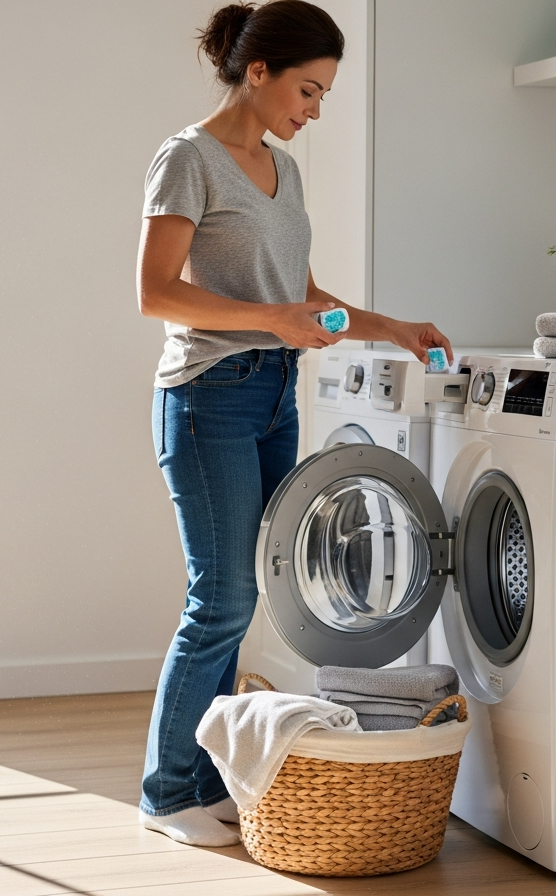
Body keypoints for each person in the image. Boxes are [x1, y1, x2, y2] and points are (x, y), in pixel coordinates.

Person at [136, 0, 451, 847]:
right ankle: (168, 794)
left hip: (276, 391)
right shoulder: (188, 158)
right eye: (307, 91)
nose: (312, 112)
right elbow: (156, 293)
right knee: (222, 597)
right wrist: (270, 320)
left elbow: (305, 300)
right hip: (207, 396)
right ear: (258, 70)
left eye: (323, 97)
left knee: (270, 589)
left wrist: (390, 327)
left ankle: (210, 780)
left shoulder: (284, 171)